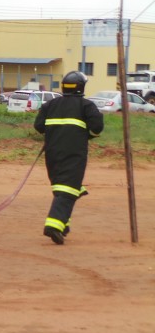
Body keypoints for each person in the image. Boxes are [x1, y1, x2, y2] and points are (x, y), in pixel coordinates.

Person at [33, 70, 104, 244]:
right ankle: (54, 226)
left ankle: (63, 224)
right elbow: (97, 126)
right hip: (74, 153)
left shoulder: (50, 105)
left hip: (52, 153)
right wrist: (88, 135)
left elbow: (39, 126)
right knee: (68, 189)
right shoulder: (86, 106)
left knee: (61, 188)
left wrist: (56, 132)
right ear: (80, 88)